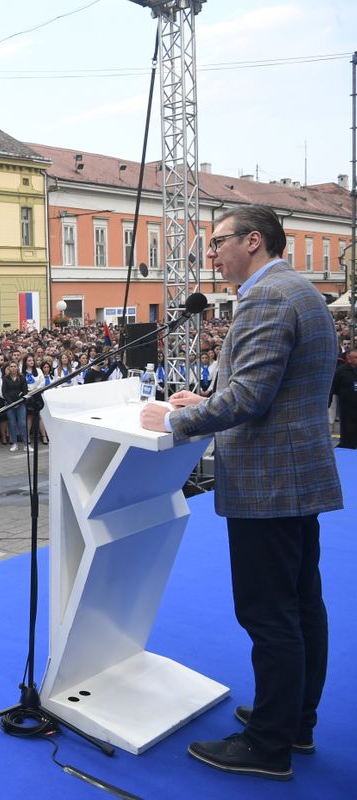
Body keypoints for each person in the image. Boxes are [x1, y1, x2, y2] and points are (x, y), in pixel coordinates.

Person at [140, 205, 342, 782]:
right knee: (302, 605)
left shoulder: (267, 297)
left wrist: (174, 422)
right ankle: (294, 720)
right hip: (294, 475)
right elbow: (264, 386)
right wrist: (200, 401)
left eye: (218, 241)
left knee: (269, 613)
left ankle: (268, 745)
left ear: (254, 241)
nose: (211, 253)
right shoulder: (298, 290)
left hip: (268, 481)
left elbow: (251, 396)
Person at [331, 347, 357, 448]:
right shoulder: (341, 372)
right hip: (347, 410)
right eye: (356, 357)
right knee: (348, 436)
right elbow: (334, 388)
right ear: (349, 358)